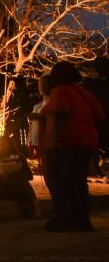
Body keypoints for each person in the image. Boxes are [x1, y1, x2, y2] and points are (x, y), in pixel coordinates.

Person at [40, 61, 105, 232]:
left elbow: (59, 116)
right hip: (88, 141)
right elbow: (99, 114)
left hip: (69, 141)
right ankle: (82, 220)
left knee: (57, 179)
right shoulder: (83, 92)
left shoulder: (60, 91)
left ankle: (65, 218)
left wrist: (54, 142)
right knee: (77, 181)